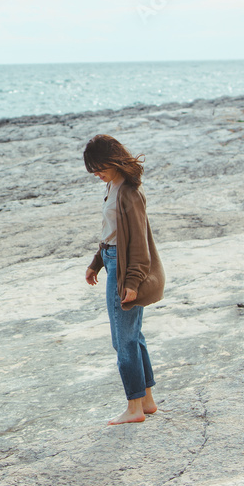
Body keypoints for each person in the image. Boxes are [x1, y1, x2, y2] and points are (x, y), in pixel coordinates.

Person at [83, 134, 165, 425]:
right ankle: (147, 400)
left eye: (98, 166)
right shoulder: (112, 185)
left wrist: (131, 283)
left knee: (124, 340)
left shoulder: (129, 192)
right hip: (111, 260)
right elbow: (111, 232)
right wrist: (96, 263)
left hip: (124, 267)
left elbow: (139, 243)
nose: (95, 173)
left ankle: (134, 408)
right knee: (134, 335)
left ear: (112, 159)